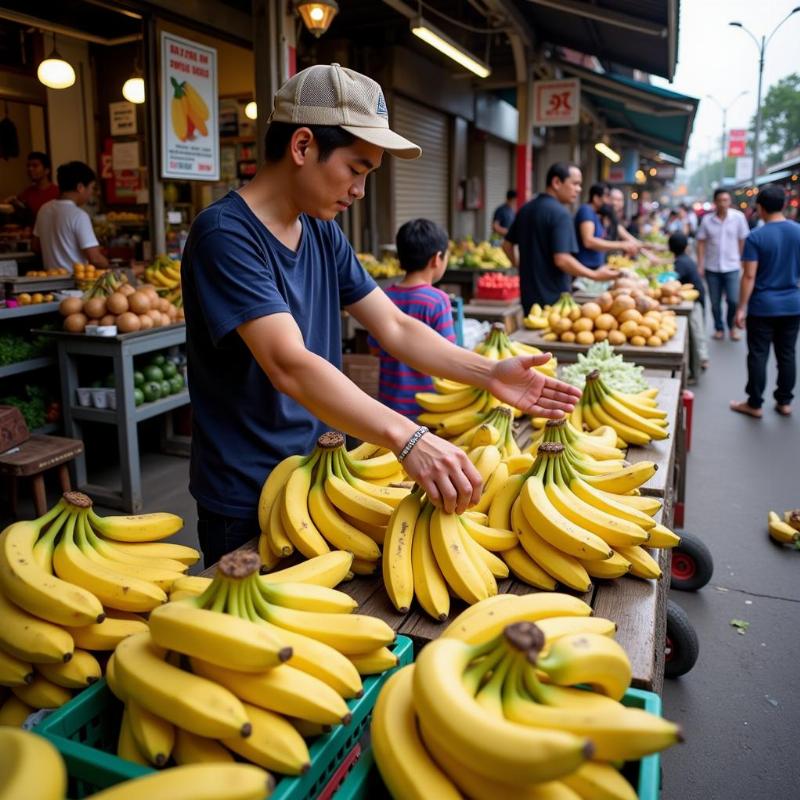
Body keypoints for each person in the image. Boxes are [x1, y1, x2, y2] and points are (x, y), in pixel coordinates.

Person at [180, 64, 581, 565]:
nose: (360, 191)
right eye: (356, 168)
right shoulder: (225, 235)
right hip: (246, 493)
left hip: (322, 476)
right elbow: (288, 363)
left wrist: (488, 374)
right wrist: (408, 437)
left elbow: (393, 325)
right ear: (302, 146)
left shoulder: (321, 231)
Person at [368, 219, 455, 418]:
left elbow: (374, 349)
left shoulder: (382, 297)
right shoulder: (437, 301)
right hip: (429, 407)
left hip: (390, 405)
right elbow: (448, 355)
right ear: (437, 259)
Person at [502, 163, 619, 309]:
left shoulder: (526, 208)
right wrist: (594, 275)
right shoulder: (560, 214)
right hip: (554, 300)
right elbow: (562, 260)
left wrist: (521, 267)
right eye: (575, 184)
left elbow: (506, 246)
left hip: (528, 298)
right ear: (557, 182)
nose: (579, 189)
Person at [730, 185, 800, 418]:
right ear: (784, 205)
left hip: (763, 306)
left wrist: (741, 308)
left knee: (759, 355)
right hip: (792, 304)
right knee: (787, 354)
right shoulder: (798, 232)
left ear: (759, 208)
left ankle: (755, 403)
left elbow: (749, 276)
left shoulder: (756, 237)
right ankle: (784, 402)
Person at [32, 161, 108, 273]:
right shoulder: (79, 216)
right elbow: (95, 258)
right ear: (80, 187)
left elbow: (35, 246)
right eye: (91, 188)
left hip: (48, 281)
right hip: (75, 283)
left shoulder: (44, 209)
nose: (91, 193)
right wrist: (109, 265)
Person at [696, 188, 749, 341]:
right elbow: (700, 243)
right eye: (720, 200)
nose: (723, 203)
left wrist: (743, 262)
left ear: (729, 201)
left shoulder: (738, 218)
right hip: (712, 267)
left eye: (726, 200)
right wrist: (700, 264)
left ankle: (731, 326)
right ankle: (719, 328)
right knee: (714, 302)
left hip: (732, 266)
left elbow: (742, 241)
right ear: (715, 202)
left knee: (733, 300)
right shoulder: (707, 220)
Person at [668, 232, 708, 383]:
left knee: (695, 335)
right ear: (686, 247)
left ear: (670, 248)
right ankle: (701, 361)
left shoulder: (681, 263)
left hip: (695, 303)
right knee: (697, 333)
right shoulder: (685, 259)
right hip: (697, 300)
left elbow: (671, 279)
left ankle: (696, 371)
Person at [574, 183, 637, 270]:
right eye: (607, 197)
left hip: (595, 267)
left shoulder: (596, 214)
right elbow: (588, 241)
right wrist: (621, 245)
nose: (609, 201)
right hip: (586, 268)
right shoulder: (586, 210)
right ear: (596, 198)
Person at [5, 151, 59, 226]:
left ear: (47, 170)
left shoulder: (58, 192)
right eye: (28, 166)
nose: (30, 169)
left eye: (35, 166)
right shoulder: (26, 193)